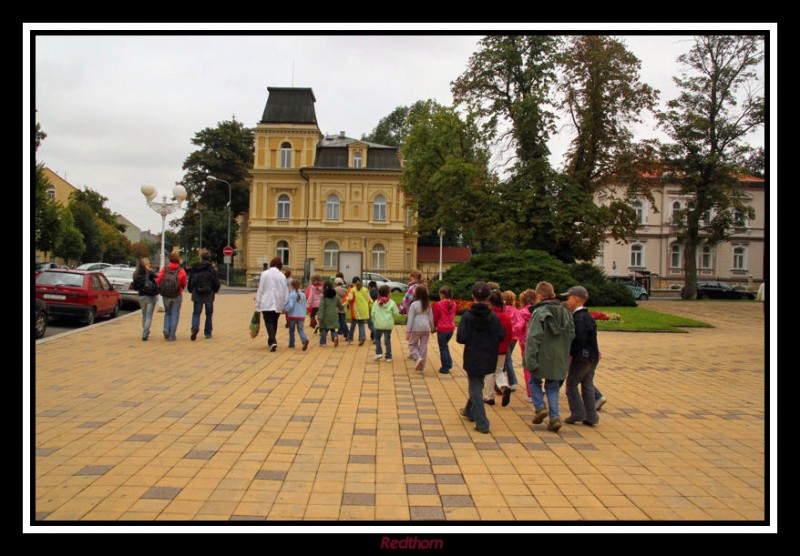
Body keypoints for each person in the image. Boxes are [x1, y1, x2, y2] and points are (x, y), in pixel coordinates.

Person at [524, 281, 575, 432]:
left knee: (534, 381)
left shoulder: (539, 313)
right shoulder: (565, 312)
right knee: (552, 387)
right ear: (553, 295)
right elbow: (572, 334)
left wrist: (529, 359)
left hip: (541, 355)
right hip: (559, 356)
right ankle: (554, 417)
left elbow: (533, 337)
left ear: (539, 295)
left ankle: (540, 407)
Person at [457, 282, 506, 434]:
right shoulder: (493, 317)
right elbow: (501, 335)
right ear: (489, 297)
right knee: (477, 383)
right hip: (489, 355)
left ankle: (482, 422)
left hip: (473, 355)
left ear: (473, 296)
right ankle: (469, 411)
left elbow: (461, 338)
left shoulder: (467, 316)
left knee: (475, 387)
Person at [561, 285, 600, 426]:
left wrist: (570, 351)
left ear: (576, 299)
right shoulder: (587, 316)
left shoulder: (580, 318)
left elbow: (579, 338)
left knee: (571, 384)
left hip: (582, 357)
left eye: (569, 298)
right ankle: (591, 416)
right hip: (592, 356)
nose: (567, 300)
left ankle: (578, 412)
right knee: (587, 384)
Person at [484, 289, 514, 407]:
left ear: (490, 303)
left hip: (490, 348)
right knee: (499, 370)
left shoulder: (490, 317)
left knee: (489, 372)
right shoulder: (506, 317)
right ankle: (504, 386)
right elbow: (510, 335)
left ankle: (489, 396)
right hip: (503, 349)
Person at [255, 257, 289, 352]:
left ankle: (272, 340)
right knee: (274, 321)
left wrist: (258, 303)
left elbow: (260, 289)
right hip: (278, 302)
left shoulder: (265, 274)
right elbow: (285, 291)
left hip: (266, 301)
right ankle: (271, 340)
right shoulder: (282, 276)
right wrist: (284, 303)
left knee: (268, 321)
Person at [187, 250, 221, 340]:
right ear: (209, 259)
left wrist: (191, 290)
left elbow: (191, 281)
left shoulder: (195, 268)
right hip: (209, 293)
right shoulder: (212, 270)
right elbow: (216, 283)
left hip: (197, 293)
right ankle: (208, 332)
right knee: (209, 314)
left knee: (196, 313)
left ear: (201, 258)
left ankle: (194, 327)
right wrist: (215, 290)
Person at [155, 252, 188, 341]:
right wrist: (180, 288)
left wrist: (161, 288)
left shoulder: (165, 269)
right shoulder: (181, 270)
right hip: (177, 294)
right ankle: (172, 335)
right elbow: (184, 282)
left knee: (168, 313)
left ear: (169, 259)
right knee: (175, 314)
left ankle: (166, 329)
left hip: (165, 294)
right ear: (178, 260)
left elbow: (158, 279)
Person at [406, 285, 435, 372]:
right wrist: (433, 328)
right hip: (426, 328)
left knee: (411, 344)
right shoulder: (428, 304)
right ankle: (421, 367)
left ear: (417, 293)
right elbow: (431, 318)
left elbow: (410, 318)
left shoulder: (414, 305)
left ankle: (417, 357)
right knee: (423, 347)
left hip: (416, 328)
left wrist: (408, 331)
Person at [516, 289, 538, 402]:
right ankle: (539, 388)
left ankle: (531, 393)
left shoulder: (522, 312)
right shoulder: (539, 311)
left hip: (526, 342)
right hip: (539, 341)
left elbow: (519, 327)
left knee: (527, 368)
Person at [131, 257, 158, 341]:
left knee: (144, 314)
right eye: (148, 263)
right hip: (151, 296)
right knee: (149, 316)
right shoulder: (150, 272)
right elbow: (157, 278)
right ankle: (145, 333)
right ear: (147, 264)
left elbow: (135, 287)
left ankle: (145, 330)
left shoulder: (136, 274)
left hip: (142, 296)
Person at [371, 284, 399, 361]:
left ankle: (379, 352)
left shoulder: (376, 302)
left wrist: (374, 320)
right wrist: (395, 317)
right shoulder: (391, 302)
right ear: (388, 293)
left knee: (377, 338)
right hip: (388, 324)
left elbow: (373, 313)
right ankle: (388, 356)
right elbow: (396, 313)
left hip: (379, 324)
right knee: (387, 340)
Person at [433, 287, 457, 374]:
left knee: (442, 347)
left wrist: (434, 326)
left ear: (442, 295)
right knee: (445, 346)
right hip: (451, 328)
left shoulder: (438, 305)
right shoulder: (454, 304)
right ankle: (449, 362)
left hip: (442, 328)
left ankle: (445, 367)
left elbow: (436, 318)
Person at [502, 291, 522, 391]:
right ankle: (504, 376)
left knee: (507, 359)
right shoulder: (516, 311)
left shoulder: (503, 311)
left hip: (505, 338)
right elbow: (520, 324)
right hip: (514, 338)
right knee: (506, 358)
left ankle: (512, 381)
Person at [284, 278, 310, 351]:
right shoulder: (303, 295)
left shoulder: (291, 295)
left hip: (292, 316)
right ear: (300, 286)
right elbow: (305, 305)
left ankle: (291, 344)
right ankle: (304, 340)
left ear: (291, 286)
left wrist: (285, 309)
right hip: (301, 315)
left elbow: (290, 305)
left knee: (291, 330)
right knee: (300, 330)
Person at [345, 277, 371, 346]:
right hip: (364, 310)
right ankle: (362, 337)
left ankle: (350, 338)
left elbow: (348, 299)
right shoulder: (366, 290)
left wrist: (343, 305)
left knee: (353, 324)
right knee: (361, 324)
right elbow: (369, 300)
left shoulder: (352, 290)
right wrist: (371, 308)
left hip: (355, 310)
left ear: (353, 283)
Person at [317, 280, 342, 347]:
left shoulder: (324, 297)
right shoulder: (336, 296)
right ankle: (335, 337)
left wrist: (320, 317)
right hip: (334, 315)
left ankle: (323, 343)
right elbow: (340, 306)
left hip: (325, 316)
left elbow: (321, 308)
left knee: (324, 329)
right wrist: (343, 306)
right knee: (332, 328)